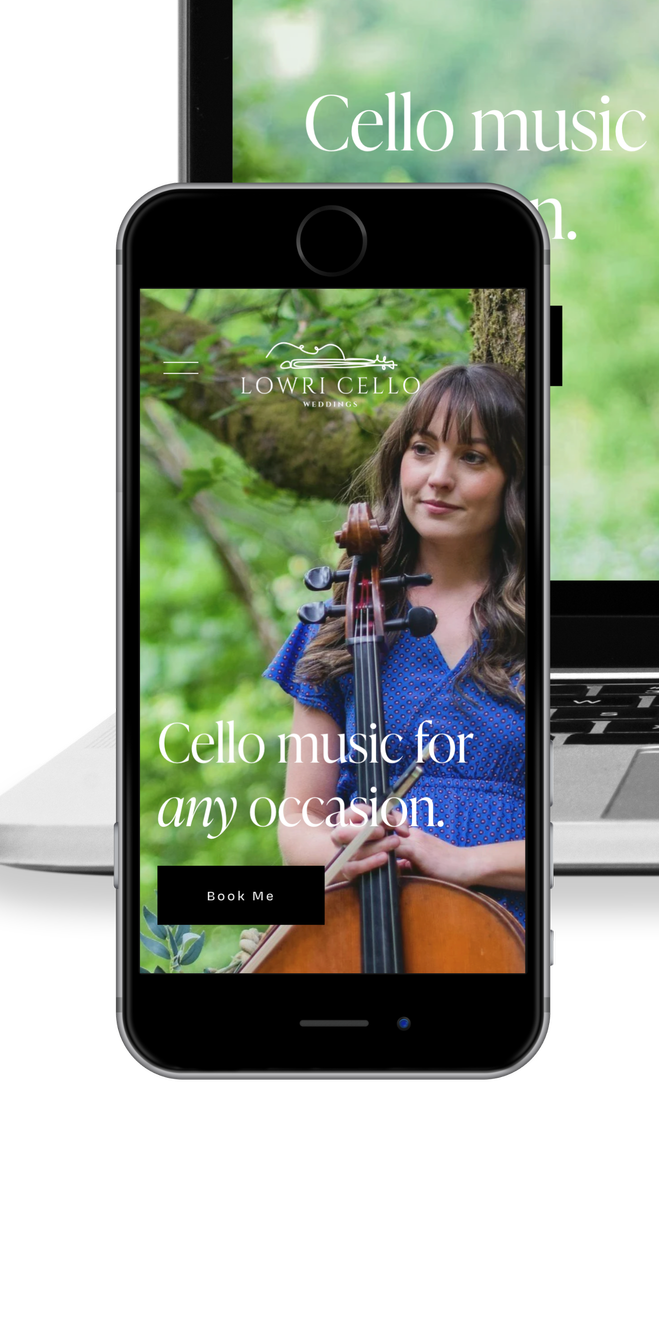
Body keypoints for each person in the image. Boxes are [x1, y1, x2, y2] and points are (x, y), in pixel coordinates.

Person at [266, 363, 532, 913]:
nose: (438, 477)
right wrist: (337, 849)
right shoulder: (343, 619)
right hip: (365, 920)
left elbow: (599, 838)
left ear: (516, 480)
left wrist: (466, 861)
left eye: (473, 457)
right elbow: (300, 822)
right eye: (423, 449)